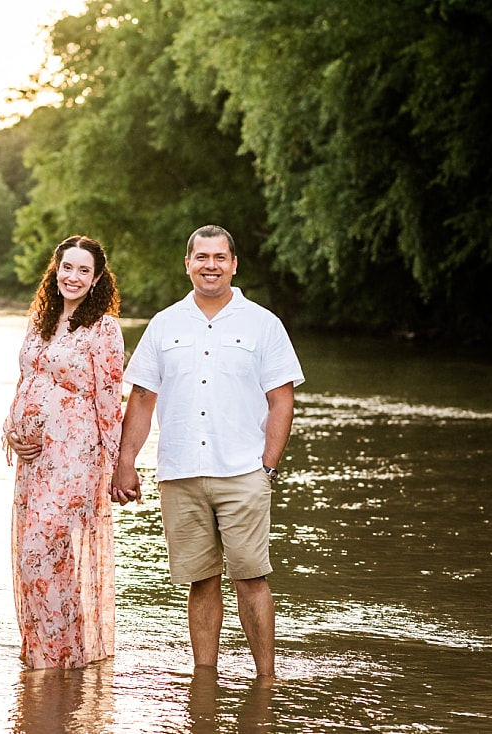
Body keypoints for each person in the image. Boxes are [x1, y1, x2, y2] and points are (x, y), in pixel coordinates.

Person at [110, 224, 304, 680]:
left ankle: (266, 680)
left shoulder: (263, 323)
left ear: (234, 265)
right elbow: (141, 398)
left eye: (220, 258)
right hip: (180, 470)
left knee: (251, 578)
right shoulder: (164, 324)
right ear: (188, 264)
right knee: (201, 580)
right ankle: (204, 680)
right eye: (202, 257)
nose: (210, 265)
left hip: (242, 471)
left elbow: (282, 400)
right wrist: (125, 463)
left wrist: (267, 468)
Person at [3, 235, 125, 669]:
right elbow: (25, 382)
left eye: (83, 270)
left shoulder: (103, 328)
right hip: (33, 462)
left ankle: (63, 653)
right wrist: (11, 431)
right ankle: (52, 657)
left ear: (96, 279)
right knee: (34, 556)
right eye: (66, 268)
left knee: (44, 545)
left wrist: (116, 468)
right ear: (55, 272)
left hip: (75, 457)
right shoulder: (41, 321)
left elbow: (110, 400)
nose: (73, 277)